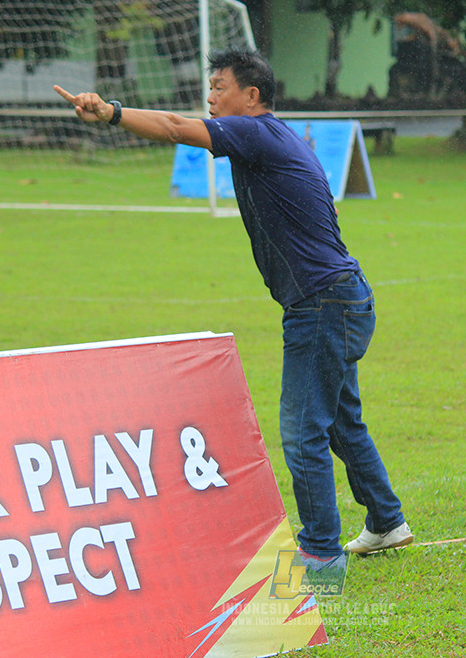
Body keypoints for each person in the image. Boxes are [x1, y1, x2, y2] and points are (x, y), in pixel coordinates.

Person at [54, 47, 413, 559]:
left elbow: (178, 128)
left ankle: (319, 555)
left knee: (302, 432)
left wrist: (110, 112)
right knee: (339, 421)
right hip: (343, 298)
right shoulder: (275, 136)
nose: (211, 96)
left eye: (219, 87)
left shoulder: (253, 131)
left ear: (251, 95)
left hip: (322, 305)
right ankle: (387, 522)